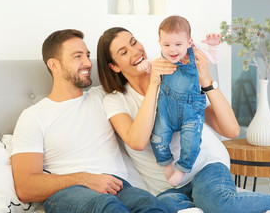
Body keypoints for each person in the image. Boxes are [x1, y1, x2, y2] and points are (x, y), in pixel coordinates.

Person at [96, 26, 270, 213]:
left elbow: (231, 130)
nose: (135, 51)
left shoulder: (176, 73)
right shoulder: (115, 101)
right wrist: (153, 85)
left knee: (218, 204)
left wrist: (205, 78)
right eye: (124, 52)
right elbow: (138, 141)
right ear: (114, 67)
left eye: (134, 42)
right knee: (168, 209)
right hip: (167, 188)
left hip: (204, 167)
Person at [11, 29, 168, 213]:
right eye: (77, 57)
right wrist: (84, 178)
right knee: (107, 207)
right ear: (54, 65)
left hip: (118, 187)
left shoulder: (105, 97)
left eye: (87, 55)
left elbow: (132, 67)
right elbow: (25, 187)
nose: (87, 63)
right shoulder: (34, 116)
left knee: (150, 205)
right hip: (70, 192)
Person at [136, 16, 221, 186]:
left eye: (178, 44)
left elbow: (214, 58)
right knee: (158, 139)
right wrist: (145, 65)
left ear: (189, 42)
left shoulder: (196, 54)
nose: (172, 50)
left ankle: (182, 170)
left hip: (191, 110)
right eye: (166, 45)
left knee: (191, 140)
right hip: (167, 109)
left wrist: (213, 45)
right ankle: (167, 167)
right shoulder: (160, 59)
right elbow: (151, 65)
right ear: (160, 43)